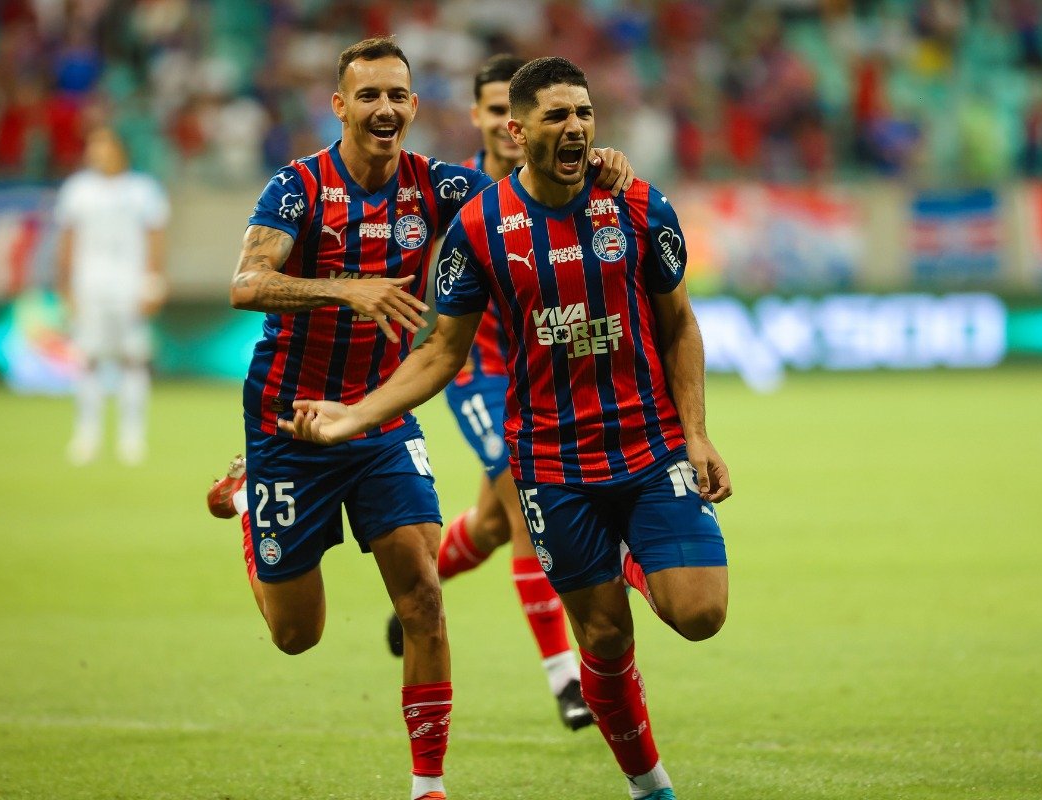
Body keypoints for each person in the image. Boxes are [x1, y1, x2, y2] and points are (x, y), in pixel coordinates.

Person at [280, 56, 731, 800]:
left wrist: (698, 433)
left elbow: (680, 325)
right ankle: (652, 788)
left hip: (649, 449)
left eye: (583, 113)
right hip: (552, 465)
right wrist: (356, 415)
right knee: (607, 639)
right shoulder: (479, 229)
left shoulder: (641, 206)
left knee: (702, 612)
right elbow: (440, 352)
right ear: (517, 132)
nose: (576, 127)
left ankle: (629, 555)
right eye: (557, 116)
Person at [216, 38, 633, 800]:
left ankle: (428, 786)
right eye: (368, 95)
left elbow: (523, 196)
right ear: (339, 106)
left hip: (381, 421)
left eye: (397, 96)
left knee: (423, 600)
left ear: (414, 106)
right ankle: (251, 504)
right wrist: (352, 289)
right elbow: (245, 284)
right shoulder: (297, 188)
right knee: (295, 634)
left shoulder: (435, 187)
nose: (385, 109)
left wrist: (595, 161)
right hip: (291, 423)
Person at [383, 52, 593, 733]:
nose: (509, 122)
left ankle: (420, 582)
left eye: (516, 109)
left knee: (497, 524)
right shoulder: (459, 191)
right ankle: (566, 678)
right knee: (526, 497)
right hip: (476, 368)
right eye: (496, 109)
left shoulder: (569, 181)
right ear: (477, 117)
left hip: (542, 369)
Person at [56, 126, 169, 466]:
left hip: (129, 287)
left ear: (120, 149)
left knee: (133, 358)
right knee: (87, 359)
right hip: (89, 286)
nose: (96, 152)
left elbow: (156, 238)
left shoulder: (143, 191)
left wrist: (154, 281)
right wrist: (65, 287)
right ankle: (86, 435)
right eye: (93, 146)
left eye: (103, 145)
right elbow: (68, 241)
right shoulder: (77, 190)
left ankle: (131, 438)